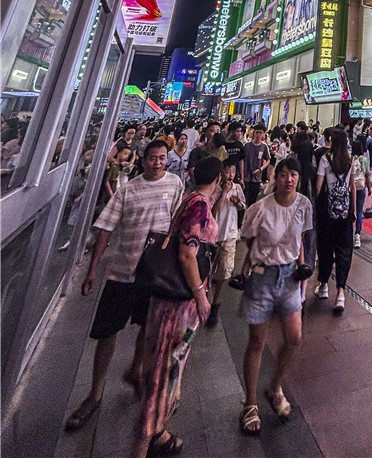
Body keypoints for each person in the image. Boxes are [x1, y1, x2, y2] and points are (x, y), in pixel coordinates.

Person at [65, 140, 183, 432]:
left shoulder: (175, 184)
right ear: (143, 160)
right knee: (107, 332)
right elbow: (105, 230)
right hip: (122, 272)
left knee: (147, 326)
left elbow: (178, 221)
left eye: (162, 158)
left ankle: (136, 369)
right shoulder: (127, 191)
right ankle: (95, 393)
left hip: (153, 275)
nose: (158, 163)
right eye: (153, 158)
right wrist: (93, 270)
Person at [132, 155, 222, 458]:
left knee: (166, 366)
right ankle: (143, 443)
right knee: (163, 370)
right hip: (178, 304)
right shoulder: (199, 206)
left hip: (170, 300)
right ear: (218, 179)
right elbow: (187, 254)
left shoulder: (190, 198)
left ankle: (158, 433)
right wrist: (201, 295)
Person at [240, 156, 313, 435]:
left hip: (290, 277)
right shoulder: (260, 208)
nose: (289, 179)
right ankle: (250, 403)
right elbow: (249, 238)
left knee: (294, 337)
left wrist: (302, 268)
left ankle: (274, 386)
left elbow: (299, 238)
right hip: (262, 278)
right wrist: (251, 261)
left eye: (293, 174)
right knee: (257, 342)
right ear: (276, 177)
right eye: (283, 174)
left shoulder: (304, 204)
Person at [315, 129, 356, 312]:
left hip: (327, 213)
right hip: (345, 213)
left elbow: (319, 186)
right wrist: (353, 210)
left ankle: (324, 285)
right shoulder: (350, 160)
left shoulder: (325, 159)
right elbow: (352, 187)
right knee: (344, 251)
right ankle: (340, 293)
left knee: (325, 248)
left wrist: (316, 207)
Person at [208, 160, 247, 328]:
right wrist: (222, 193)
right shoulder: (215, 189)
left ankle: (215, 303)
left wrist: (238, 203)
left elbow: (243, 206)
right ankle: (204, 297)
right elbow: (211, 212)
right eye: (227, 171)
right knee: (208, 269)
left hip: (230, 234)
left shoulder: (237, 188)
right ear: (221, 173)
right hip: (213, 235)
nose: (230, 174)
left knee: (226, 269)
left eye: (233, 171)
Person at [243, 123, 270, 206]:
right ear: (253, 133)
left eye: (260, 132)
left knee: (253, 200)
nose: (258, 135)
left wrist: (260, 169)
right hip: (246, 176)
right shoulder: (246, 146)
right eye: (257, 132)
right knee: (244, 199)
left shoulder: (264, 146)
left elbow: (268, 160)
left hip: (257, 177)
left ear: (264, 134)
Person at [352, 136, 370, 248]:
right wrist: (370, 187)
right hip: (361, 186)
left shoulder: (350, 159)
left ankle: (348, 232)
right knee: (359, 211)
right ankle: (357, 235)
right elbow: (367, 175)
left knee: (350, 209)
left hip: (351, 187)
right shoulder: (364, 160)